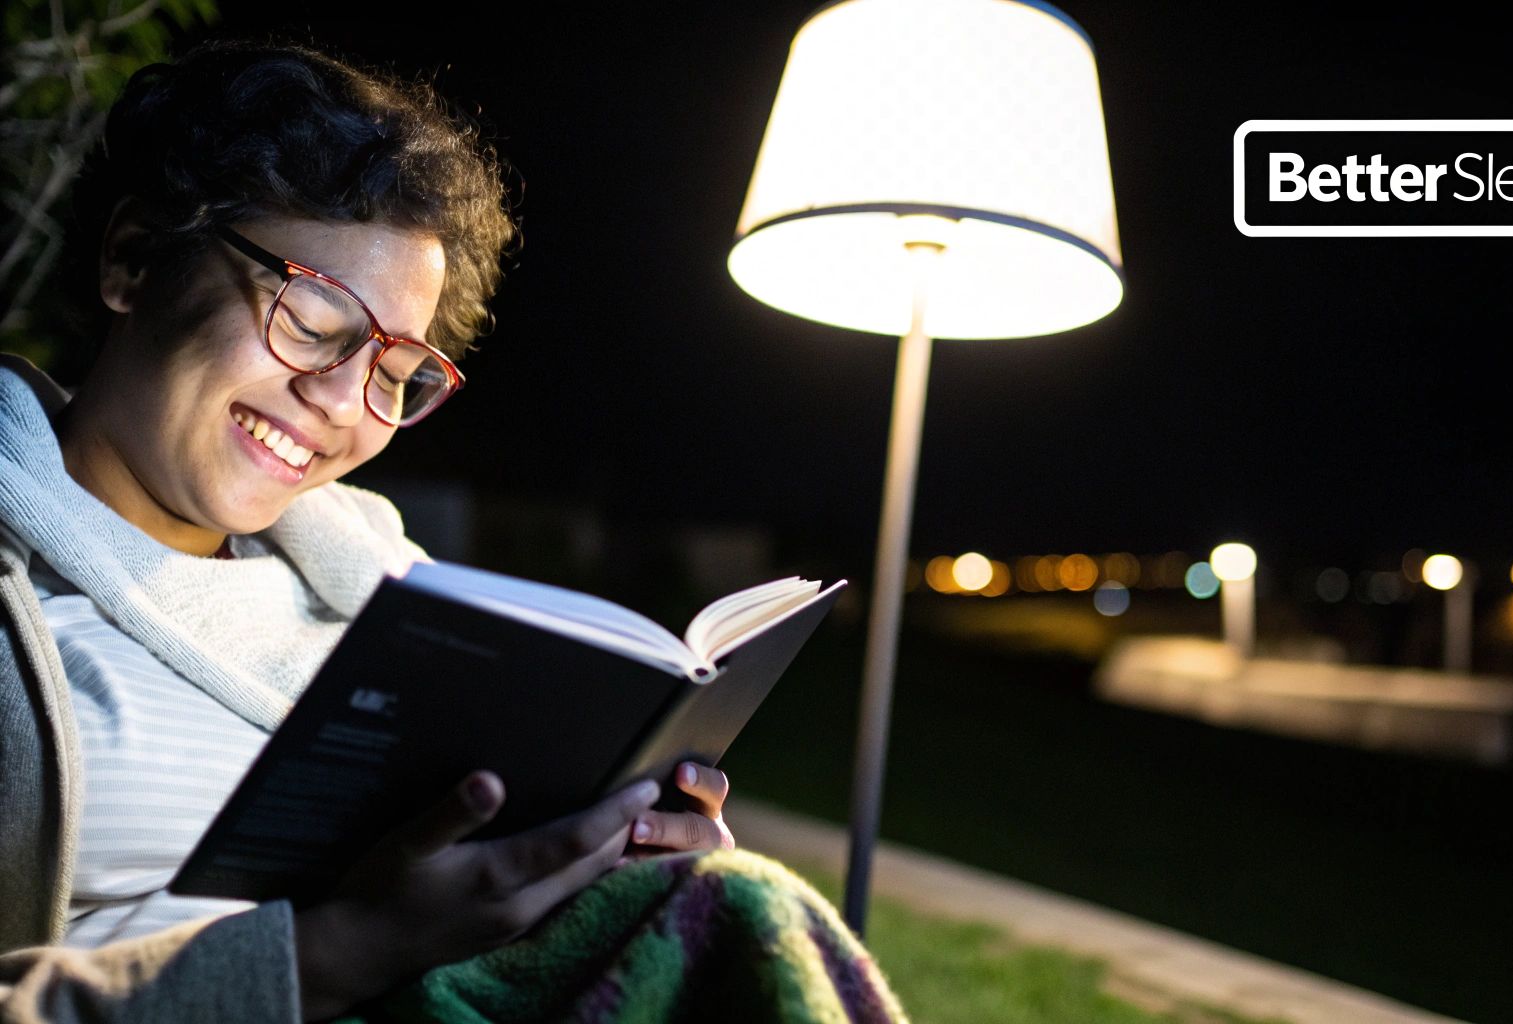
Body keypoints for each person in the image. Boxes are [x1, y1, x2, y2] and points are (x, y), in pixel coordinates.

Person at [0, 39, 903, 1023]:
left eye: (393, 375)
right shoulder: (27, 603)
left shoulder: (377, 586)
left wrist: (607, 859)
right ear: (136, 260)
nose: (342, 402)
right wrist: (338, 951)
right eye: (310, 319)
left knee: (731, 903)